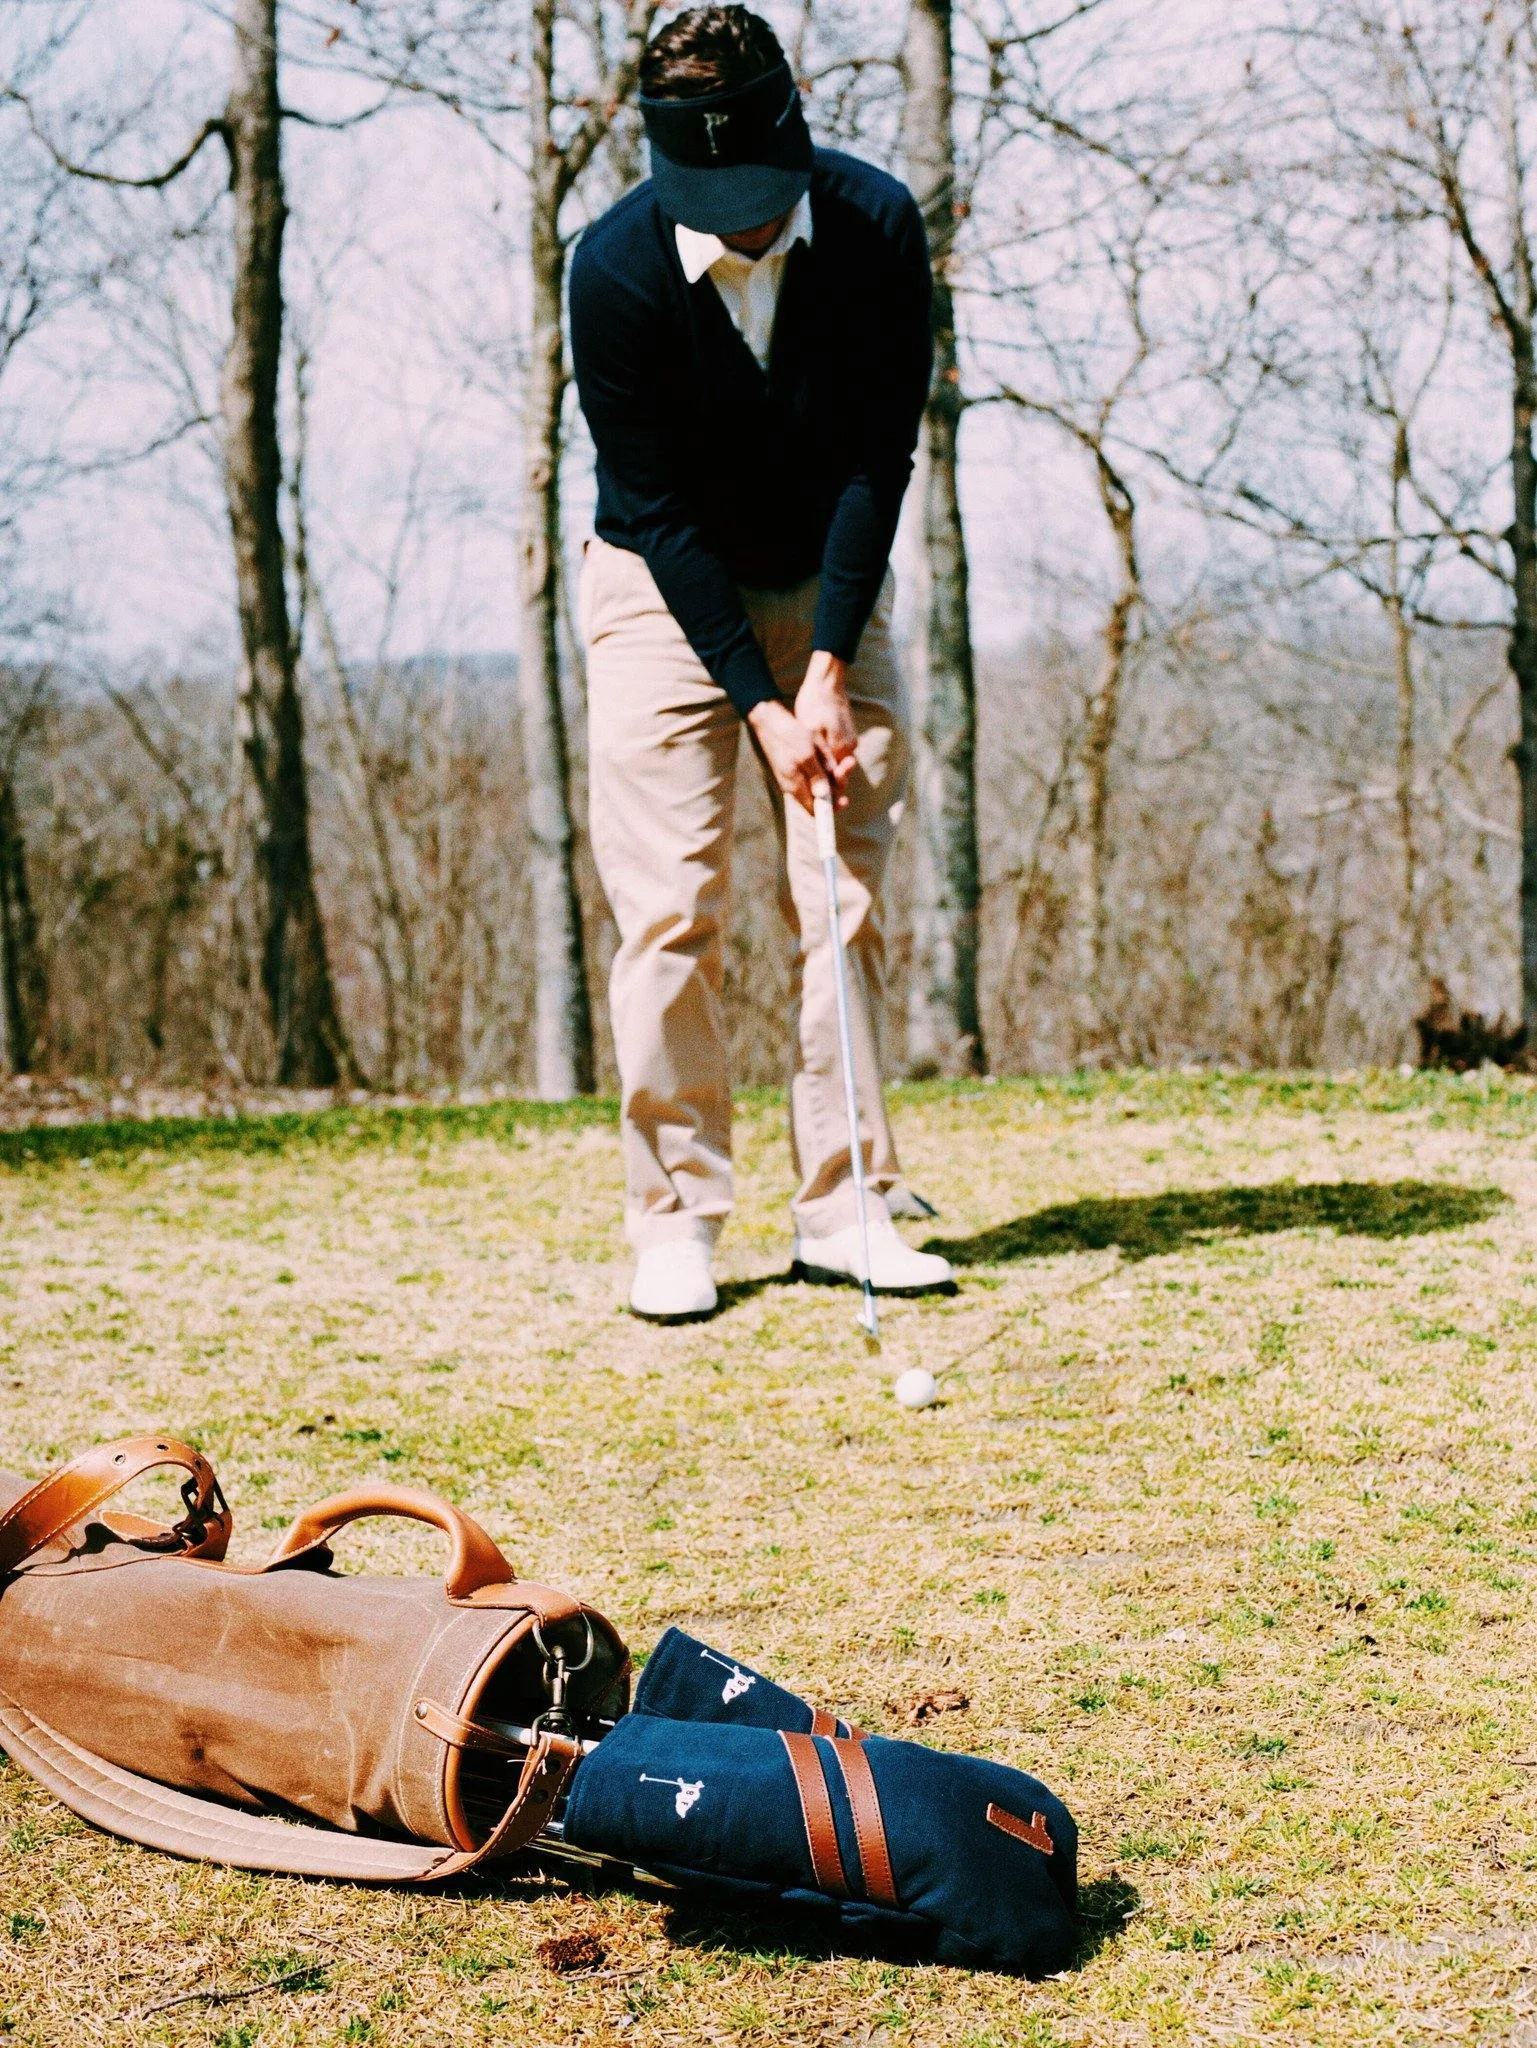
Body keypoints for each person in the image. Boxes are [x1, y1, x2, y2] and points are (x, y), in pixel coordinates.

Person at [570, 3, 955, 1320]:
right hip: (657, 583)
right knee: (673, 904)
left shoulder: (876, 228)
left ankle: (848, 1205)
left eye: (760, 190)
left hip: (825, 572)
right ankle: (674, 1216)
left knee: (841, 890)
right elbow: (662, 514)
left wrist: (830, 665)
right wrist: (758, 700)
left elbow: (878, 457)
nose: (741, 219)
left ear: (797, 131)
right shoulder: (612, 271)